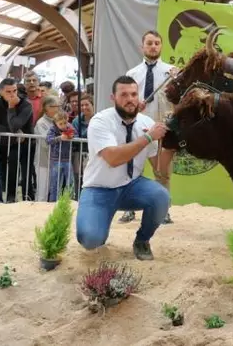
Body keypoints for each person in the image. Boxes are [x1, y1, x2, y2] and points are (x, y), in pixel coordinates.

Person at [76, 76, 171, 260]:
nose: (130, 99)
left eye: (134, 94)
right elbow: (113, 158)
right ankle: (100, 222)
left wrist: (173, 145)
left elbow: (159, 168)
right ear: (113, 98)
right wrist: (148, 138)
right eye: (124, 94)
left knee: (161, 196)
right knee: (90, 239)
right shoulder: (100, 121)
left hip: (131, 186)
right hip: (99, 189)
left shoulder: (146, 123)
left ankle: (142, 240)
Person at [120, 30, 177, 225]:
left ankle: (164, 210)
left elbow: (178, 101)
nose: (153, 46)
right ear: (142, 47)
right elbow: (124, 102)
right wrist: (135, 105)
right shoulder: (132, 74)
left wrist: (177, 80)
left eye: (157, 43)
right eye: (150, 43)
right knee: (132, 171)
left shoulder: (172, 72)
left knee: (162, 172)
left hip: (162, 129)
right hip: (138, 129)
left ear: (161, 46)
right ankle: (129, 210)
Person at [0, 78, 34, 202]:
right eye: (8, 92)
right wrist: (14, 133)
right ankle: (4, 198)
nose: (13, 94)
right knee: (3, 170)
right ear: (1, 92)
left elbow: (15, 125)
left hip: (26, 143)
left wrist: (11, 107)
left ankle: (25, 198)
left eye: (14, 90)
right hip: (6, 142)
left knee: (25, 173)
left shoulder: (26, 105)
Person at [34, 95, 60, 202]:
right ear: (46, 108)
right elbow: (46, 142)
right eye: (54, 106)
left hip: (57, 161)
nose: (57, 109)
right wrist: (60, 139)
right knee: (42, 192)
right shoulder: (41, 123)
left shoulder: (60, 121)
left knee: (53, 192)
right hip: (43, 161)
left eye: (58, 106)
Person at [46, 111, 77, 201]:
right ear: (56, 123)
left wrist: (72, 136)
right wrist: (59, 138)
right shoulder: (52, 129)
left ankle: (69, 201)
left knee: (70, 182)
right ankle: (52, 202)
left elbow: (76, 134)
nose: (63, 125)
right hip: (56, 159)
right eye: (60, 124)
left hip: (67, 159)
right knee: (55, 183)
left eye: (65, 123)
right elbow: (48, 140)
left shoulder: (70, 127)